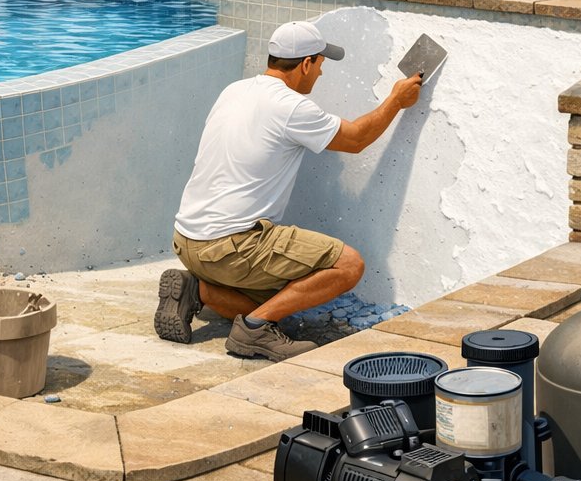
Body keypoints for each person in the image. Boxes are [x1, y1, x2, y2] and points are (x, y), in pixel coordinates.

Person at [157, 20, 423, 360]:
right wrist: (396, 100)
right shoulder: (292, 107)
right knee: (348, 266)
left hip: (187, 241)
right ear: (306, 64)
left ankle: (197, 289)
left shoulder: (234, 91)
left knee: (282, 301)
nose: (321, 74)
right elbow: (356, 139)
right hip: (230, 247)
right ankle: (253, 331)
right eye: (320, 65)